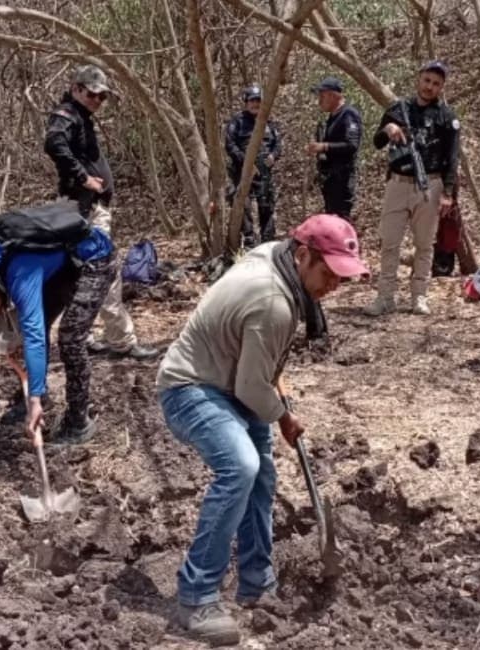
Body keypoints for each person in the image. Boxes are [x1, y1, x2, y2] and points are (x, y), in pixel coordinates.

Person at [156, 214, 368, 645]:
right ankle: (197, 595)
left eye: (342, 278)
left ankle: (256, 580)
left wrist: (274, 386)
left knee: (261, 474)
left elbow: (259, 367)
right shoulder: (273, 301)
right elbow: (252, 387)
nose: (334, 287)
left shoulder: (276, 254)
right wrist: (284, 416)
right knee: (240, 466)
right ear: (304, 255)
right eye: (328, 274)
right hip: (191, 386)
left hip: (232, 380)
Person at [0, 202, 116, 442]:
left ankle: (78, 421)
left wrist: (32, 398)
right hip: (61, 264)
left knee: (70, 338)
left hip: (93, 259)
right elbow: (28, 326)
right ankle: (40, 395)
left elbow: (34, 337)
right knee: (38, 325)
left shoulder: (20, 277)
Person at [44, 64, 158, 361]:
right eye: (92, 94)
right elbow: (53, 143)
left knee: (81, 271)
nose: (97, 100)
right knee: (103, 270)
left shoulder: (82, 117)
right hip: (81, 209)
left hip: (88, 208)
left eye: (102, 97)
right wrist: (84, 178)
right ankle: (120, 340)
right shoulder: (66, 115)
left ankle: (88, 335)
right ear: (76, 89)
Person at [364, 60, 460, 317]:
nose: (430, 87)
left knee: (425, 244)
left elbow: (452, 158)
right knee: (390, 242)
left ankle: (419, 296)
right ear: (419, 79)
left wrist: (448, 193)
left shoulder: (446, 116)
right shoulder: (398, 108)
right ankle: (385, 296)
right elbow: (376, 142)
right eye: (427, 80)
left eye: (436, 84)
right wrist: (388, 127)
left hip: (430, 183)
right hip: (398, 182)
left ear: (442, 88)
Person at [225, 84, 282, 247]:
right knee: (244, 206)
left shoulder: (268, 121)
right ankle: (249, 240)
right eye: (252, 100)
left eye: (258, 100)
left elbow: (278, 144)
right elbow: (229, 145)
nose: (255, 104)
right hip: (243, 171)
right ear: (246, 102)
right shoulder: (237, 121)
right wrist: (246, 163)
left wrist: (273, 156)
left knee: (267, 205)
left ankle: (268, 241)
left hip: (264, 171)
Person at [305, 77, 363, 222]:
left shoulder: (348, 114)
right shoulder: (332, 118)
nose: (319, 100)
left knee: (342, 222)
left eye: (322, 96)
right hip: (330, 180)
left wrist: (324, 146)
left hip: (342, 179)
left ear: (332, 95)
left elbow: (351, 145)